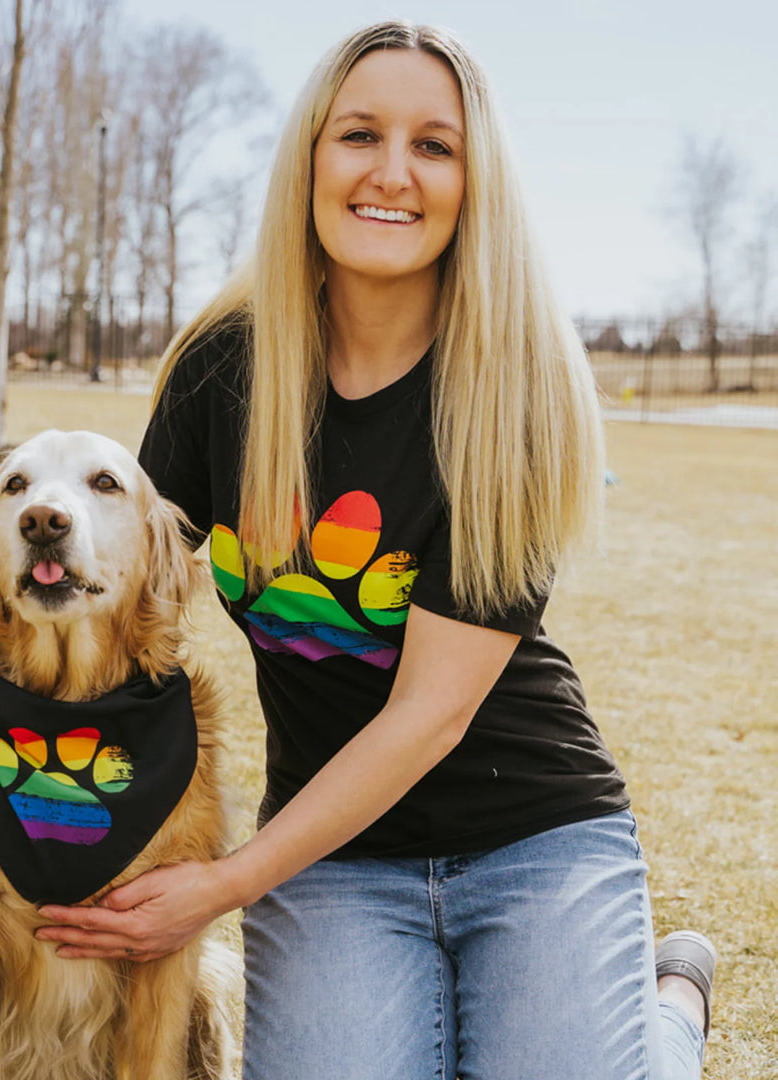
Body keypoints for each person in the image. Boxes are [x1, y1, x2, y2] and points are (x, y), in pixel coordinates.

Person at [36, 21, 718, 1080]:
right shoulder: (224, 369)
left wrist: (223, 883)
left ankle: (667, 1008)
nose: (392, 173)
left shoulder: (516, 393)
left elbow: (430, 716)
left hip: (535, 835)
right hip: (333, 854)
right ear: (311, 154)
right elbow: (126, 608)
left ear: (472, 179)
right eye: (359, 134)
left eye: (434, 146)